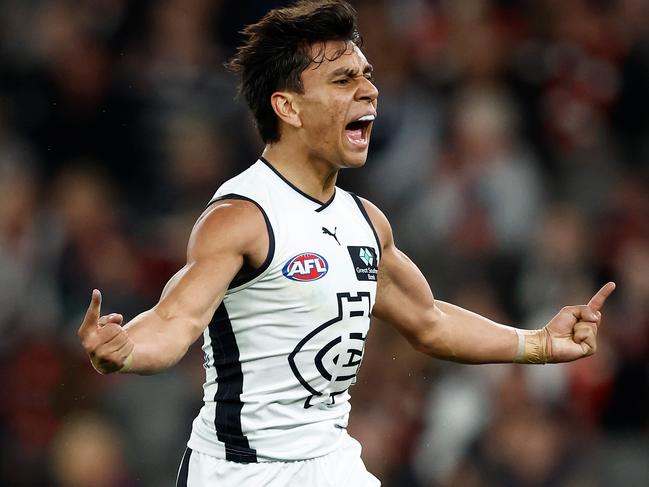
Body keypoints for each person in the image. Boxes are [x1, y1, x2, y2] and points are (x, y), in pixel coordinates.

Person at [77, 1, 616, 486]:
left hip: (332, 463)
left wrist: (538, 344)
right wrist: (126, 353)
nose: (369, 90)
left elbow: (429, 321)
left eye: (366, 75)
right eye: (342, 80)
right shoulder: (242, 216)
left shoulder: (366, 222)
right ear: (287, 107)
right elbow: (175, 321)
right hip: (239, 473)